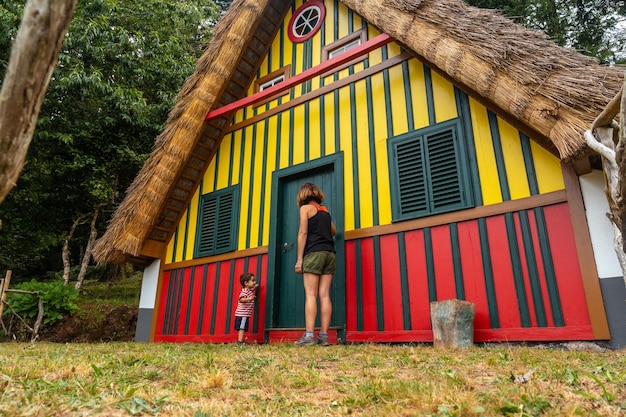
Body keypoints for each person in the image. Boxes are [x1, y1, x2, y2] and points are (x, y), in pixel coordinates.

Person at [294, 182, 337, 346]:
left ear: (303, 195)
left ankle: (309, 336)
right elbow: (334, 231)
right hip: (329, 253)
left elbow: (303, 232)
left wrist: (300, 259)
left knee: (311, 294)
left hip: (314, 253)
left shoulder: (305, 209)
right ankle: (324, 336)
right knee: (324, 295)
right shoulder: (324, 210)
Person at [234, 272, 259, 344]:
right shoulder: (244, 291)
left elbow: (251, 290)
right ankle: (240, 341)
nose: (254, 282)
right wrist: (250, 299)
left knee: (243, 327)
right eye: (253, 280)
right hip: (242, 314)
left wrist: (255, 287)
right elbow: (241, 299)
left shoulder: (248, 290)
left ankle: (241, 340)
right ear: (246, 283)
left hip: (245, 314)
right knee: (242, 327)